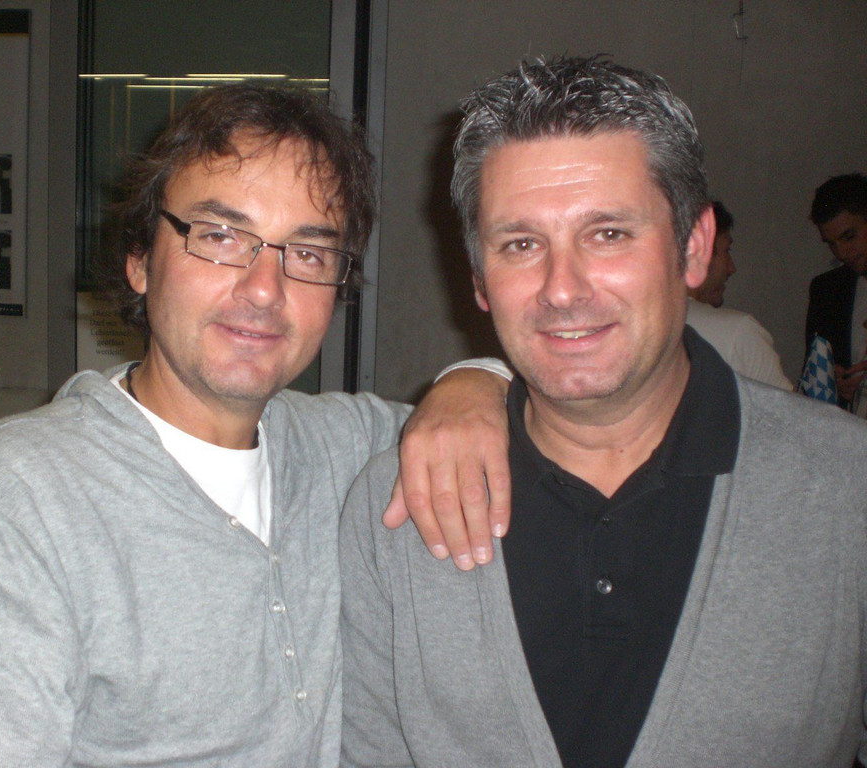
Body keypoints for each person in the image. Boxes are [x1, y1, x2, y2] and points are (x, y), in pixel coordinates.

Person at [0, 83, 512, 767]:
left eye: (308, 254)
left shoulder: (344, 447)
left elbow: (532, 411)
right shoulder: (25, 493)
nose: (264, 289)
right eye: (221, 236)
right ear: (140, 260)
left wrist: (476, 381)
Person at [340, 56, 867, 768]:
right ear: (480, 280)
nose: (562, 288)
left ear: (694, 247)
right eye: (521, 244)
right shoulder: (394, 510)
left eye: (609, 233)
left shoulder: (846, 487)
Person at [685, 201, 791, 388]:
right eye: (726, 251)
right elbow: (783, 407)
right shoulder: (738, 333)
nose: (731, 268)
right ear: (699, 250)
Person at [805, 172, 867, 407]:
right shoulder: (827, 291)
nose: (841, 253)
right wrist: (832, 381)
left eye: (849, 237)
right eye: (832, 244)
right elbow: (812, 379)